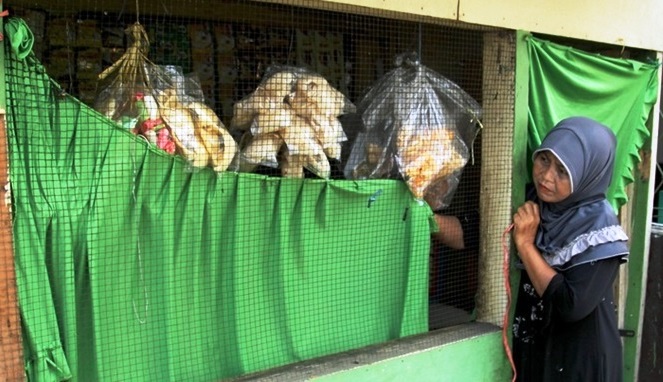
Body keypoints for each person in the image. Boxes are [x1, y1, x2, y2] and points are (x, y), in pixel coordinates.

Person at [511, 116, 630, 381]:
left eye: (563, 171)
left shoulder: (600, 229)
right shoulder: (532, 199)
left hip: (580, 363)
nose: (546, 176)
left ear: (587, 175)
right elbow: (474, 232)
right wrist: (424, 219)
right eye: (544, 159)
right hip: (537, 353)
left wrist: (526, 245)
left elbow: (570, 305)